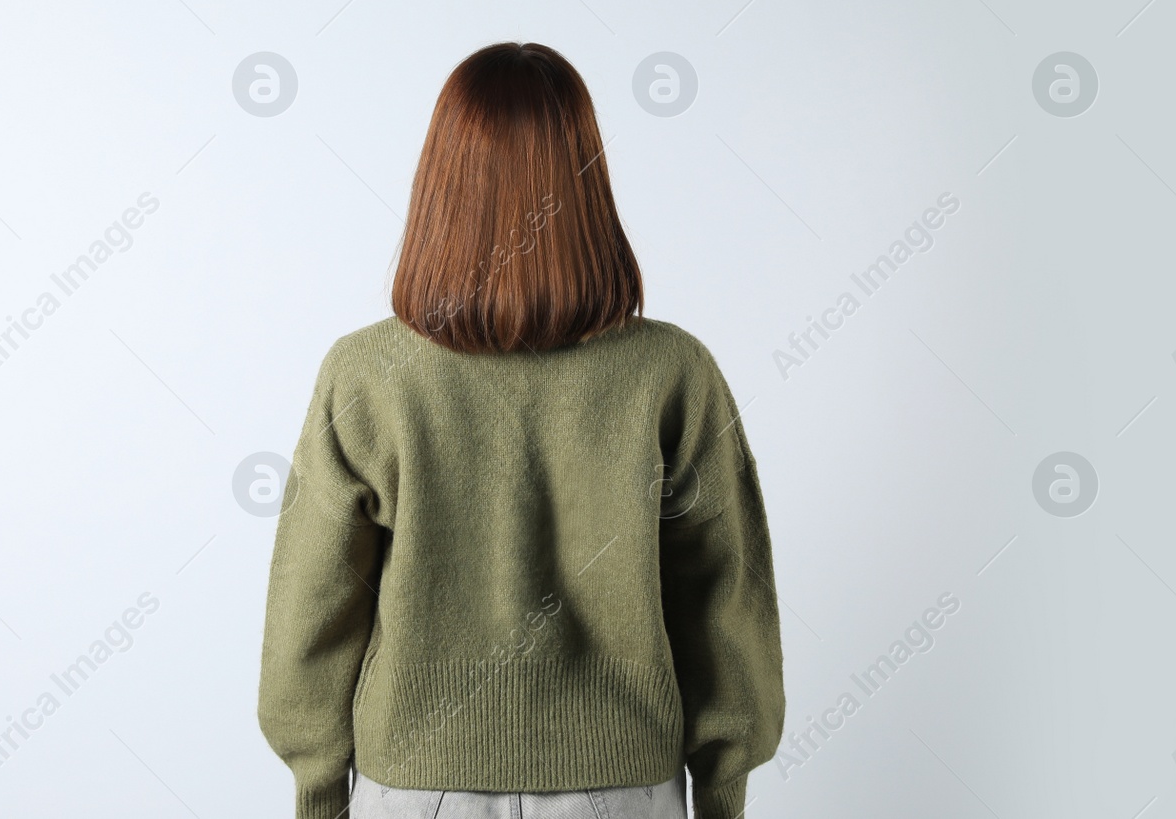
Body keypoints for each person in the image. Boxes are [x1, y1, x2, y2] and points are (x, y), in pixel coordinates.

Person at [258, 42, 784, 819]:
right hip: (623, 790)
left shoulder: (367, 373)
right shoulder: (673, 372)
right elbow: (725, 600)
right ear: (587, 181)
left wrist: (320, 791)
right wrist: (723, 789)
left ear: (441, 185)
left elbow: (313, 601)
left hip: (413, 786)